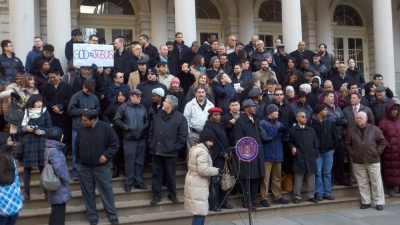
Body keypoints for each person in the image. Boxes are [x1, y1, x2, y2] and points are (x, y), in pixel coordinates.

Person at [75, 110, 119, 225]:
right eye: (82, 120)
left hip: (101, 167)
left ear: (93, 119)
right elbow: (77, 145)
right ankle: (93, 217)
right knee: (88, 193)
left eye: (85, 120)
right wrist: (79, 160)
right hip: (84, 167)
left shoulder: (105, 128)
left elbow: (115, 144)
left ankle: (112, 216)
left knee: (106, 191)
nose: (83, 122)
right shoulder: (82, 129)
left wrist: (106, 155)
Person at [148, 95, 188, 205]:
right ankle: (156, 196)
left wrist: (173, 148)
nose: (163, 103)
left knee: (170, 175)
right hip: (156, 150)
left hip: (170, 152)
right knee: (156, 174)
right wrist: (151, 144)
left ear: (171, 104)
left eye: (165, 101)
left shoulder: (180, 118)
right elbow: (151, 131)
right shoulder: (158, 116)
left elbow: (183, 136)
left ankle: (172, 195)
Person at [345, 112, 386, 211]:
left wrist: (377, 152)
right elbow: (347, 144)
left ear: (366, 118)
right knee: (362, 182)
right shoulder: (351, 131)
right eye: (357, 118)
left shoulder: (374, 129)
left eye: (361, 118)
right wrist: (353, 154)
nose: (359, 120)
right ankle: (366, 201)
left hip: (373, 160)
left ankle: (378, 202)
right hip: (358, 161)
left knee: (376, 182)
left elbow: (382, 142)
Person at [17, 94, 52, 200]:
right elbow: (18, 130)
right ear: (32, 103)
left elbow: (50, 129)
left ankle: (46, 191)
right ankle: (27, 193)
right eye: (37, 102)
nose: (40, 103)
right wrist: (26, 129)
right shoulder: (25, 113)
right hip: (28, 143)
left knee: (42, 167)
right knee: (27, 169)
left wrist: (42, 131)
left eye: (41, 101)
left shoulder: (45, 112)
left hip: (41, 142)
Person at [114, 89, 149, 192]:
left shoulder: (142, 107)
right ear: (131, 96)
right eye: (137, 96)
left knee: (139, 162)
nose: (139, 98)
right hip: (129, 139)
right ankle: (128, 183)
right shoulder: (124, 107)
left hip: (141, 139)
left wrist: (144, 126)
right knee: (129, 162)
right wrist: (126, 127)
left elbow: (147, 120)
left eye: (140, 96)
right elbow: (117, 119)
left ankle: (138, 182)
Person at [184, 129, 220, 225]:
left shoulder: (195, 148)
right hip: (198, 184)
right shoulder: (202, 152)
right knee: (200, 213)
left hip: (194, 182)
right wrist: (215, 170)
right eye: (210, 141)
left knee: (199, 211)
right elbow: (202, 170)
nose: (212, 144)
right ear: (205, 140)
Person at [233, 99, 265, 209]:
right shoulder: (240, 121)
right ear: (246, 108)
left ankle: (253, 199)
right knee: (248, 179)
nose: (255, 107)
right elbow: (238, 140)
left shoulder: (254, 120)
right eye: (253, 106)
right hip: (248, 155)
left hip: (257, 153)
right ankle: (246, 201)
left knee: (256, 178)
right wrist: (245, 154)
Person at [67, 79, 100, 181]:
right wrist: (83, 111)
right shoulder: (76, 96)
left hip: (92, 127)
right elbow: (70, 110)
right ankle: (76, 172)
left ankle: (91, 170)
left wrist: (94, 112)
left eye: (91, 91)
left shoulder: (94, 97)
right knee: (76, 149)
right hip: (78, 126)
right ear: (83, 87)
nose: (89, 93)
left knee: (92, 148)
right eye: (87, 90)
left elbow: (98, 109)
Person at [258, 104, 290, 207]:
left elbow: (285, 139)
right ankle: (264, 197)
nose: (278, 112)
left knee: (277, 177)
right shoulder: (262, 123)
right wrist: (277, 131)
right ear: (269, 112)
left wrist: (286, 133)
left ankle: (278, 196)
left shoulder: (279, 123)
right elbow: (265, 138)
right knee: (265, 178)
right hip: (267, 155)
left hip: (278, 154)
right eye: (276, 111)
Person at [202, 107, 232, 211]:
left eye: (219, 115)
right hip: (216, 157)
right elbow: (213, 142)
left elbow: (224, 139)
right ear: (210, 116)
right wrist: (223, 153)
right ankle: (213, 204)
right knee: (215, 181)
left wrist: (228, 151)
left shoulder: (219, 125)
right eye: (215, 115)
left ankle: (223, 202)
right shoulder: (208, 126)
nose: (217, 116)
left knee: (223, 179)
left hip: (224, 156)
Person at [289, 112, 319, 204]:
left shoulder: (311, 130)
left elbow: (316, 143)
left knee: (311, 177)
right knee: (298, 177)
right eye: (302, 117)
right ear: (297, 118)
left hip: (310, 156)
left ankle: (311, 195)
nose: (305, 118)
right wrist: (292, 147)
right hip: (299, 156)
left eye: (305, 117)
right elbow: (288, 142)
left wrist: (315, 153)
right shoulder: (292, 130)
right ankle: (297, 196)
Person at [44, 126, 71, 225]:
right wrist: (67, 179)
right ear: (58, 137)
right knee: (58, 214)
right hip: (58, 185)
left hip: (56, 186)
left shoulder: (50, 148)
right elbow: (59, 169)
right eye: (61, 134)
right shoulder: (54, 151)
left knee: (56, 212)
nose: (63, 136)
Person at [310, 104, 338, 201]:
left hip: (328, 151)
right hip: (317, 152)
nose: (327, 111)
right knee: (317, 173)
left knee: (327, 172)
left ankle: (327, 192)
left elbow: (335, 136)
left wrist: (334, 148)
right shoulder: (311, 122)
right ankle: (319, 193)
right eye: (325, 109)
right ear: (319, 111)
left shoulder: (329, 122)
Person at [41, 67, 73, 146]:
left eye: (54, 77)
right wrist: (54, 108)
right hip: (51, 115)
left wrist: (61, 106)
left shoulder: (67, 86)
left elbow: (70, 99)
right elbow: (44, 100)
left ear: (59, 75)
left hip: (64, 115)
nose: (52, 79)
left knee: (64, 138)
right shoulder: (45, 87)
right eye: (50, 78)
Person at [102, 90, 128, 178]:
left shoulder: (129, 105)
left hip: (126, 132)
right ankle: (116, 170)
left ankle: (125, 169)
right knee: (117, 151)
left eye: (123, 95)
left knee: (125, 151)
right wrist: (109, 123)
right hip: (116, 131)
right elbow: (105, 115)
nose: (121, 97)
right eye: (119, 95)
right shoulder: (113, 106)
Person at [0, 132, 23, 225]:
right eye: (9, 140)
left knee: (12, 218)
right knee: (6, 220)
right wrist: (10, 181)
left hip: (10, 193)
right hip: (5, 193)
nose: (12, 142)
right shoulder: (2, 156)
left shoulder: (6, 154)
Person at [378, 103, 400, 196]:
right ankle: (391, 187)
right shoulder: (383, 122)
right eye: (393, 110)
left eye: (397, 110)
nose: (395, 112)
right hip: (390, 151)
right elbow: (379, 135)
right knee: (391, 169)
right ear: (389, 111)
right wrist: (387, 144)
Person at [184, 86, 214, 151]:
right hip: (193, 134)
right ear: (195, 93)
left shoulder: (211, 105)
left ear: (205, 93)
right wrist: (189, 132)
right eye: (199, 92)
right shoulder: (190, 105)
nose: (201, 94)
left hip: (206, 135)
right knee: (192, 155)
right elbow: (185, 119)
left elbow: (212, 120)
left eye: (203, 92)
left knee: (205, 155)